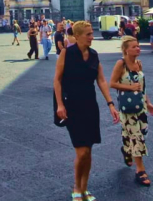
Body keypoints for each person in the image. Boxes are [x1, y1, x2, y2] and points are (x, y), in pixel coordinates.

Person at [54, 21, 120, 200]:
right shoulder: (67, 53)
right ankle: (77, 187)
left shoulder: (93, 54)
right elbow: (57, 80)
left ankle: (84, 188)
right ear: (77, 36)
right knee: (81, 151)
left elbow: (101, 80)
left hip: (90, 105)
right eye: (88, 34)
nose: (92, 37)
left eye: (92, 33)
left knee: (88, 150)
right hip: (71, 106)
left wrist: (110, 104)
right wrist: (60, 104)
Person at [110, 36, 153, 187]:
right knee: (137, 137)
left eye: (138, 46)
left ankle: (126, 149)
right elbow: (112, 83)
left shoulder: (139, 63)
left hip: (140, 106)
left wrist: (148, 103)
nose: (138, 48)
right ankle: (140, 170)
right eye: (134, 47)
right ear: (126, 50)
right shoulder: (121, 64)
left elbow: (142, 86)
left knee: (142, 133)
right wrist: (130, 87)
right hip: (128, 108)